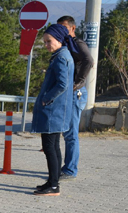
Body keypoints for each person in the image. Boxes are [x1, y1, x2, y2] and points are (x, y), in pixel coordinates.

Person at [31, 24, 75, 196]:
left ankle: (54, 185)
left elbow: (63, 84)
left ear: (59, 39)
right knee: (53, 147)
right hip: (55, 110)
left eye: (49, 41)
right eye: (45, 42)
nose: (46, 45)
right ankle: (52, 181)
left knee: (49, 147)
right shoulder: (62, 55)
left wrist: (46, 99)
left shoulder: (61, 57)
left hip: (53, 110)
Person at [57, 16, 94, 181]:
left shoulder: (77, 43)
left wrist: (78, 82)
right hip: (67, 93)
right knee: (66, 132)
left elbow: (89, 60)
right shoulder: (66, 45)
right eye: (60, 28)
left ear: (73, 28)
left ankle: (70, 170)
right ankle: (67, 167)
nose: (62, 31)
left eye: (65, 27)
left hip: (75, 94)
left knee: (71, 134)